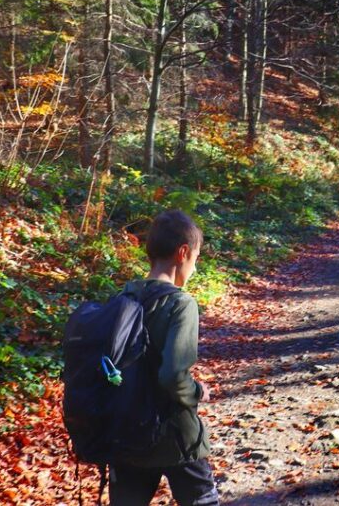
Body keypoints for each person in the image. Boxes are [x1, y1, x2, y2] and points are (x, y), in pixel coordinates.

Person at [111, 210, 219, 505]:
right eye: (196, 260)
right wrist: (197, 391)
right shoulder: (180, 303)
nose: (195, 269)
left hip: (126, 433)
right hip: (175, 436)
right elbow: (172, 375)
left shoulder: (123, 297)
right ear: (182, 253)